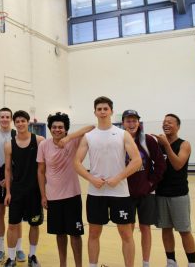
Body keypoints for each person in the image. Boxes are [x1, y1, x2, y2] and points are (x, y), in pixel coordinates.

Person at [73, 96, 142, 267]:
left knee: (126, 234)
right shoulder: (89, 136)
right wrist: (91, 178)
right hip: (96, 193)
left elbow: (137, 160)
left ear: (111, 111)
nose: (103, 112)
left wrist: (118, 177)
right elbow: (76, 162)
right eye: (99, 109)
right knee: (94, 233)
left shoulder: (122, 134)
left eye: (106, 109)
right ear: (95, 112)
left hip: (120, 192)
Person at [37, 112, 94, 267]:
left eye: (61, 127)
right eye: (54, 127)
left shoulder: (74, 141)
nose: (57, 129)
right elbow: (41, 172)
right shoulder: (43, 145)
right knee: (60, 234)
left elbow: (91, 127)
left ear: (66, 129)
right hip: (53, 197)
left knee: (75, 235)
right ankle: (63, 264)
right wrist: (43, 195)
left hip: (72, 196)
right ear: (49, 129)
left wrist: (69, 138)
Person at [121, 110, 166, 267]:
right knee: (128, 230)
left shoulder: (148, 140)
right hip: (125, 193)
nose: (131, 124)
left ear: (139, 123)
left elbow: (160, 164)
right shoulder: (118, 140)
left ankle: (146, 263)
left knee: (145, 227)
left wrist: (150, 184)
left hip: (146, 193)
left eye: (134, 121)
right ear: (123, 123)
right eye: (128, 121)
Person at [152, 114, 195, 267]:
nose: (166, 124)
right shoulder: (158, 144)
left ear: (177, 126)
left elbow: (178, 165)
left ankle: (192, 263)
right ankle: (171, 261)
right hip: (161, 193)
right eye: (164, 122)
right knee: (166, 229)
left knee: (184, 230)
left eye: (170, 122)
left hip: (179, 194)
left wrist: (166, 145)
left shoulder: (184, 144)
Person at [4, 110, 45, 267]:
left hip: (34, 192)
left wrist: (44, 194)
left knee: (34, 225)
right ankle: (11, 258)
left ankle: (32, 256)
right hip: (17, 191)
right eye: (18, 121)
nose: (20, 123)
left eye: (23, 121)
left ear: (28, 122)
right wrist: (8, 192)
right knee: (13, 225)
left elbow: (44, 168)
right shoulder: (9, 145)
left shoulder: (40, 140)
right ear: (15, 124)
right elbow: (8, 170)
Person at [0, 107, 25, 263]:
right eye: (1, 116)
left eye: (7, 117)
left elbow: (20, 159)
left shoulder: (17, 134)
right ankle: (1, 248)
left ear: (11, 119)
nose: (4, 119)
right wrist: (0, 176)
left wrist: (10, 178)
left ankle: (19, 248)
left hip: (15, 181)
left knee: (16, 215)